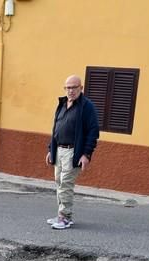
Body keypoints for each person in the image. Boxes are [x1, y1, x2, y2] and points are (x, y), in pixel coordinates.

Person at [46, 75, 100, 229]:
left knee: (66, 184)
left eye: (74, 87)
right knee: (59, 182)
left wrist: (86, 154)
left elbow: (93, 131)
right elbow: (56, 129)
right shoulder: (62, 104)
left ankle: (64, 217)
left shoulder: (86, 106)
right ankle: (61, 215)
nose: (70, 90)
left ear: (81, 88)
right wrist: (51, 149)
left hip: (73, 152)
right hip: (59, 150)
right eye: (68, 87)